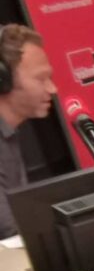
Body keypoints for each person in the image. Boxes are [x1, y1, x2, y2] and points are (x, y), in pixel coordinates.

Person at [0, 24, 57, 239]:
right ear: (2, 81)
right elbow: (11, 234)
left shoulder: (9, 134)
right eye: (41, 79)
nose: (52, 89)